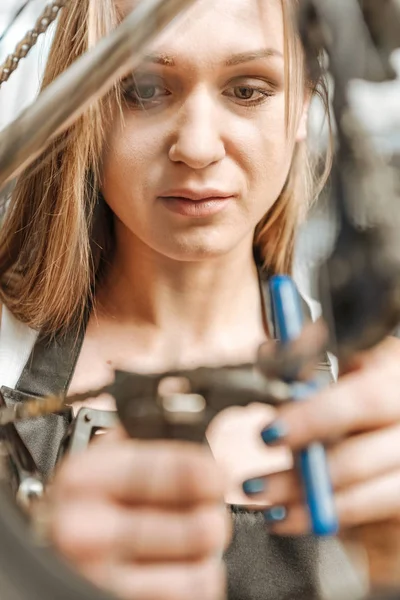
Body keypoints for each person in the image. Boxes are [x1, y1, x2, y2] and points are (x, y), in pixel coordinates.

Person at [0, 0, 400, 599]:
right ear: (83, 107)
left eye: (246, 89)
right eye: (143, 88)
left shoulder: (374, 402)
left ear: (307, 104)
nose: (197, 147)